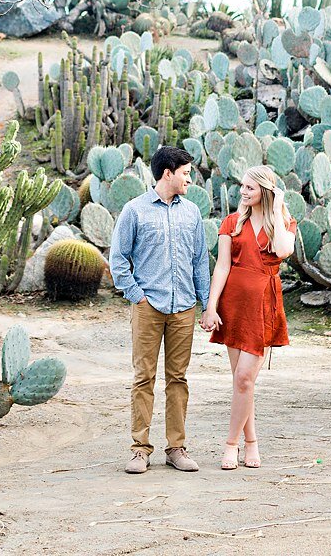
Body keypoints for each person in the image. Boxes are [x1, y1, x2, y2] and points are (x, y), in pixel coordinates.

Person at [108, 145, 210, 474]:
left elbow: (200, 261)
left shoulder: (192, 212)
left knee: (178, 379)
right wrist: (137, 295)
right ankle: (139, 449)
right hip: (148, 307)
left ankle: (176, 448)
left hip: (183, 307)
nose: (189, 179)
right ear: (168, 173)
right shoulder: (134, 211)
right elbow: (118, 258)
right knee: (143, 378)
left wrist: (206, 304)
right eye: (185, 173)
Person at [200, 164, 297, 470]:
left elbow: (283, 251)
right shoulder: (231, 222)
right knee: (243, 382)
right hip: (233, 306)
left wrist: (278, 205)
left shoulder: (282, 222)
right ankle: (251, 443)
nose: (242, 191)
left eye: (250, 187)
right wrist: (211, 306)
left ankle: (231, 445)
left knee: (244, 378)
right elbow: (222, 267)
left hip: (263, 305)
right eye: (241, 186)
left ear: (265, 191)